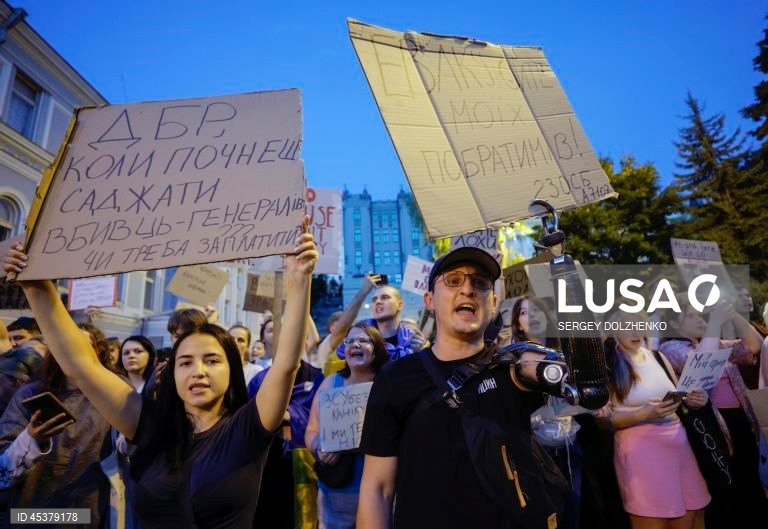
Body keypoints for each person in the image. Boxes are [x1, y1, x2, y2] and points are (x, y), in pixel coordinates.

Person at [1, 227, 318, 528]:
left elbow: (286, 364)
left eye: (212, 360)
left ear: (232, 369)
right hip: (37, 515)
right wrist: (35, 284)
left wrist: (299, 277)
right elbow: (82, 365)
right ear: (172, 373)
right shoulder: (149, 424)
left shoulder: (249, 427)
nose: (199, 371)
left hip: (84, 514)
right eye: (186, 362)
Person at [357, 247, 560, 529]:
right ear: (429, 300)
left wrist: (565, 277)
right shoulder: (396, 378)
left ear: (493, 302)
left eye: (479, 282)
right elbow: (377, 490)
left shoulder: (515, 368)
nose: (467, 289)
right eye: (453, 281)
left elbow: (585, 385)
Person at [659, 296, 767, 529]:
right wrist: (714, 323)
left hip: (741, 422)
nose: (699, 319)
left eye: (701, 314)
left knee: (751, 485)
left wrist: (732, 314)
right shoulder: (670, 348)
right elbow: (701, 362)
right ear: (675, 324)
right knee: (726, 490)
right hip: (712, 425)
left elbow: (755, 345)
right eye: (691, 315)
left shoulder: (714, 342)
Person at [599, 311, 710, 529]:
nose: (636, 331)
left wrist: (695, 399)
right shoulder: (608, 365)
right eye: (627, 326)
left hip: (678, 448)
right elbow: (603, 421)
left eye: (639, 324)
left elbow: (680, 392)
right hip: (642, 454)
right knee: (651, 519)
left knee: (687, 517)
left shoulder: (657, 356)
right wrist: (644, 414)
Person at [0, 323, 114, 529]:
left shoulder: (116, 394)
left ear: (98, 351)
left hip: (89, 510)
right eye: (65, 343)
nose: (72, 350)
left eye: (81, 345)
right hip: (32, 512)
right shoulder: (30, 394)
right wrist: (31, 439)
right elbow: (3, 467)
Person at [305, 323, 389, 529]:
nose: (355, 344)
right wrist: (319, 446)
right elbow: (312, 429)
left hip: (380, 489)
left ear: (376, 348)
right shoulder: (331, 383)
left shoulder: (388, 384)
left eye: (363, 340)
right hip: (338, 491)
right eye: (350, 341)